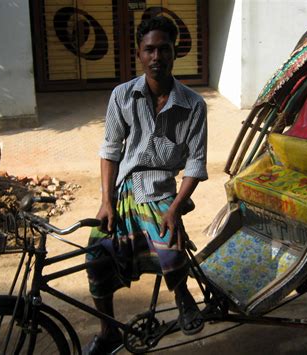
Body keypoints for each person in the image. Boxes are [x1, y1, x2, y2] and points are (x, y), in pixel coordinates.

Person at [84, 15, 208, 354]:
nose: (157, 57)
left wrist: (175, 207)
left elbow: (195, 165)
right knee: (95, 255)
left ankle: (183, 296)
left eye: (163, 49)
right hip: (125, 189)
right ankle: (108, 331)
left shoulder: (194, 105)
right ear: (139, 54)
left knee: (168, 246)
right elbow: (110, 151)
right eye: (149, 50)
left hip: (163, 193)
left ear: (174, 53)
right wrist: (106, 201)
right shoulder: (122, 96)